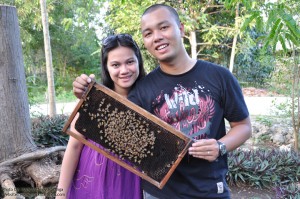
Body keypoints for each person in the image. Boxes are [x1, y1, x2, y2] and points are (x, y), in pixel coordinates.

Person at [72, 4, 252, 199]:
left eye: (164, 27)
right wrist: (87, 93)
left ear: (181, 29)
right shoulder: (142, 91)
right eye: (148, 33)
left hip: (210, 190)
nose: (157, 36)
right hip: (159, 193)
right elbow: (114, 130)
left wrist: (220, 146)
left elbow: (243, 126)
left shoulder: (220, 76)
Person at [57, 33, 146, 199]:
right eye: (115, 65)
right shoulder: (95, 98)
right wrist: (60, 195)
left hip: (127, 185)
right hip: (89, 182)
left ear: (138, 61)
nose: (124, 70)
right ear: (106, 67)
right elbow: (74, 147)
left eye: (130, 62)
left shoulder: (149, 100)